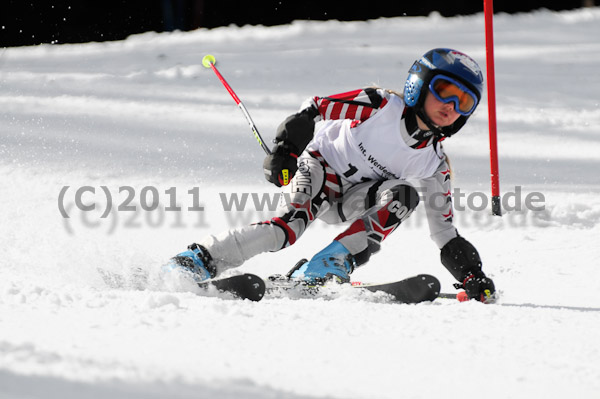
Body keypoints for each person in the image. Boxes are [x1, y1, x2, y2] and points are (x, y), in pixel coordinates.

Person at [169, 48, 496, 303]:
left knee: (403, 197)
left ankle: (325, 267)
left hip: (353, 199)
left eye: (464, 101)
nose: (451, 105)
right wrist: (286, 149)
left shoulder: (434, 164)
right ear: (419, 84)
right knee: (286, 230)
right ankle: (196, 259)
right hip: (319, 168)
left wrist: (472, 274)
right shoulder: (381, 106)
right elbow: (315, 108)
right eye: (444, 90)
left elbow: (445, 233)